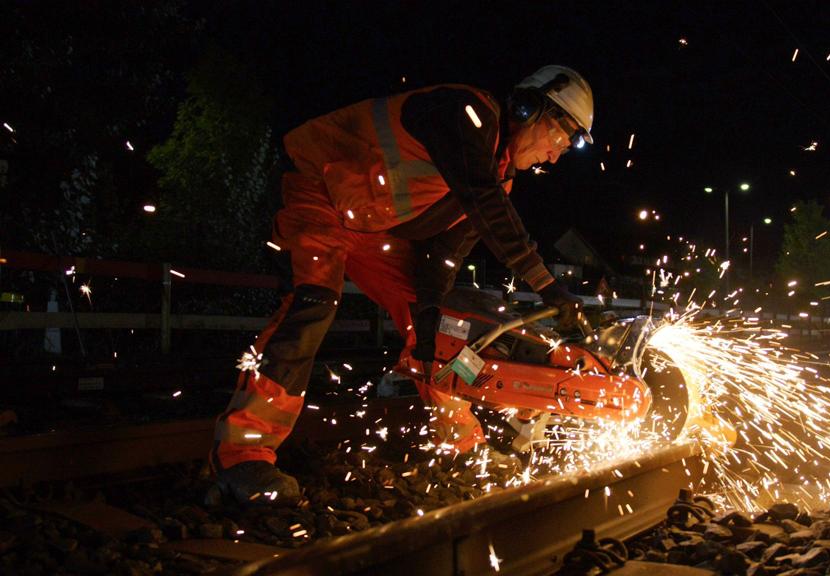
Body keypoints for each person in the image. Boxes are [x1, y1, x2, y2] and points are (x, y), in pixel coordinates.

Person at [209, 66, 594, 505]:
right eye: (561, 139)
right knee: (312, 305)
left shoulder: (496, 177)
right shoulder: (463, 112)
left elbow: (441, 260)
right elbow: (484, 202)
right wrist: (547, 285)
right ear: (529, 108)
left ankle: (462, 445)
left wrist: (429, 314)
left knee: (439, 330)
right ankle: (240, 455)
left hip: (370, 228)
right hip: (318, 190)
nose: (556, 155)